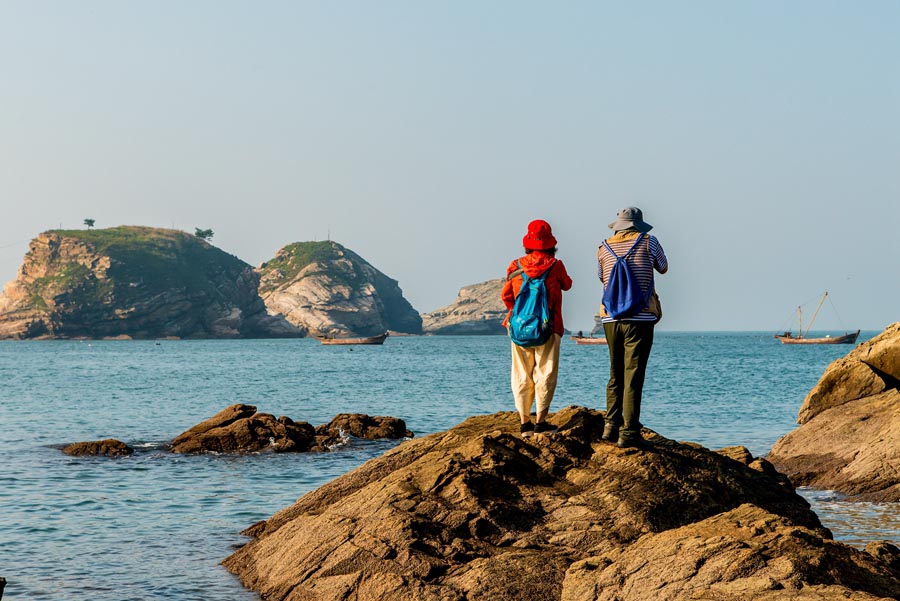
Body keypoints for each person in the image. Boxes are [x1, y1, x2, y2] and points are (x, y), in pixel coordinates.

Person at [597, 207, 668, 448]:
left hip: (610, 318)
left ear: (618, 225)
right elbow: (663, 267)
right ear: (637, 225)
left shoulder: (603, 247)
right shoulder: (649, 242)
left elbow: (601, 277)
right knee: (633, 375)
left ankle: (609, 426)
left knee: (615, 373)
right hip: (640, 317)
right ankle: (628, 433)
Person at [501, 219, 573, 438]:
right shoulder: (555, 265)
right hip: (548, 326)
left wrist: (516, 313)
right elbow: (567, 285)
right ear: (550, 243)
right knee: (545, 372)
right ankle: (540, 423)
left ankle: (525, 424)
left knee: (521, 374)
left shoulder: (515, 266)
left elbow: (506, 295)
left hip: (518, 327)